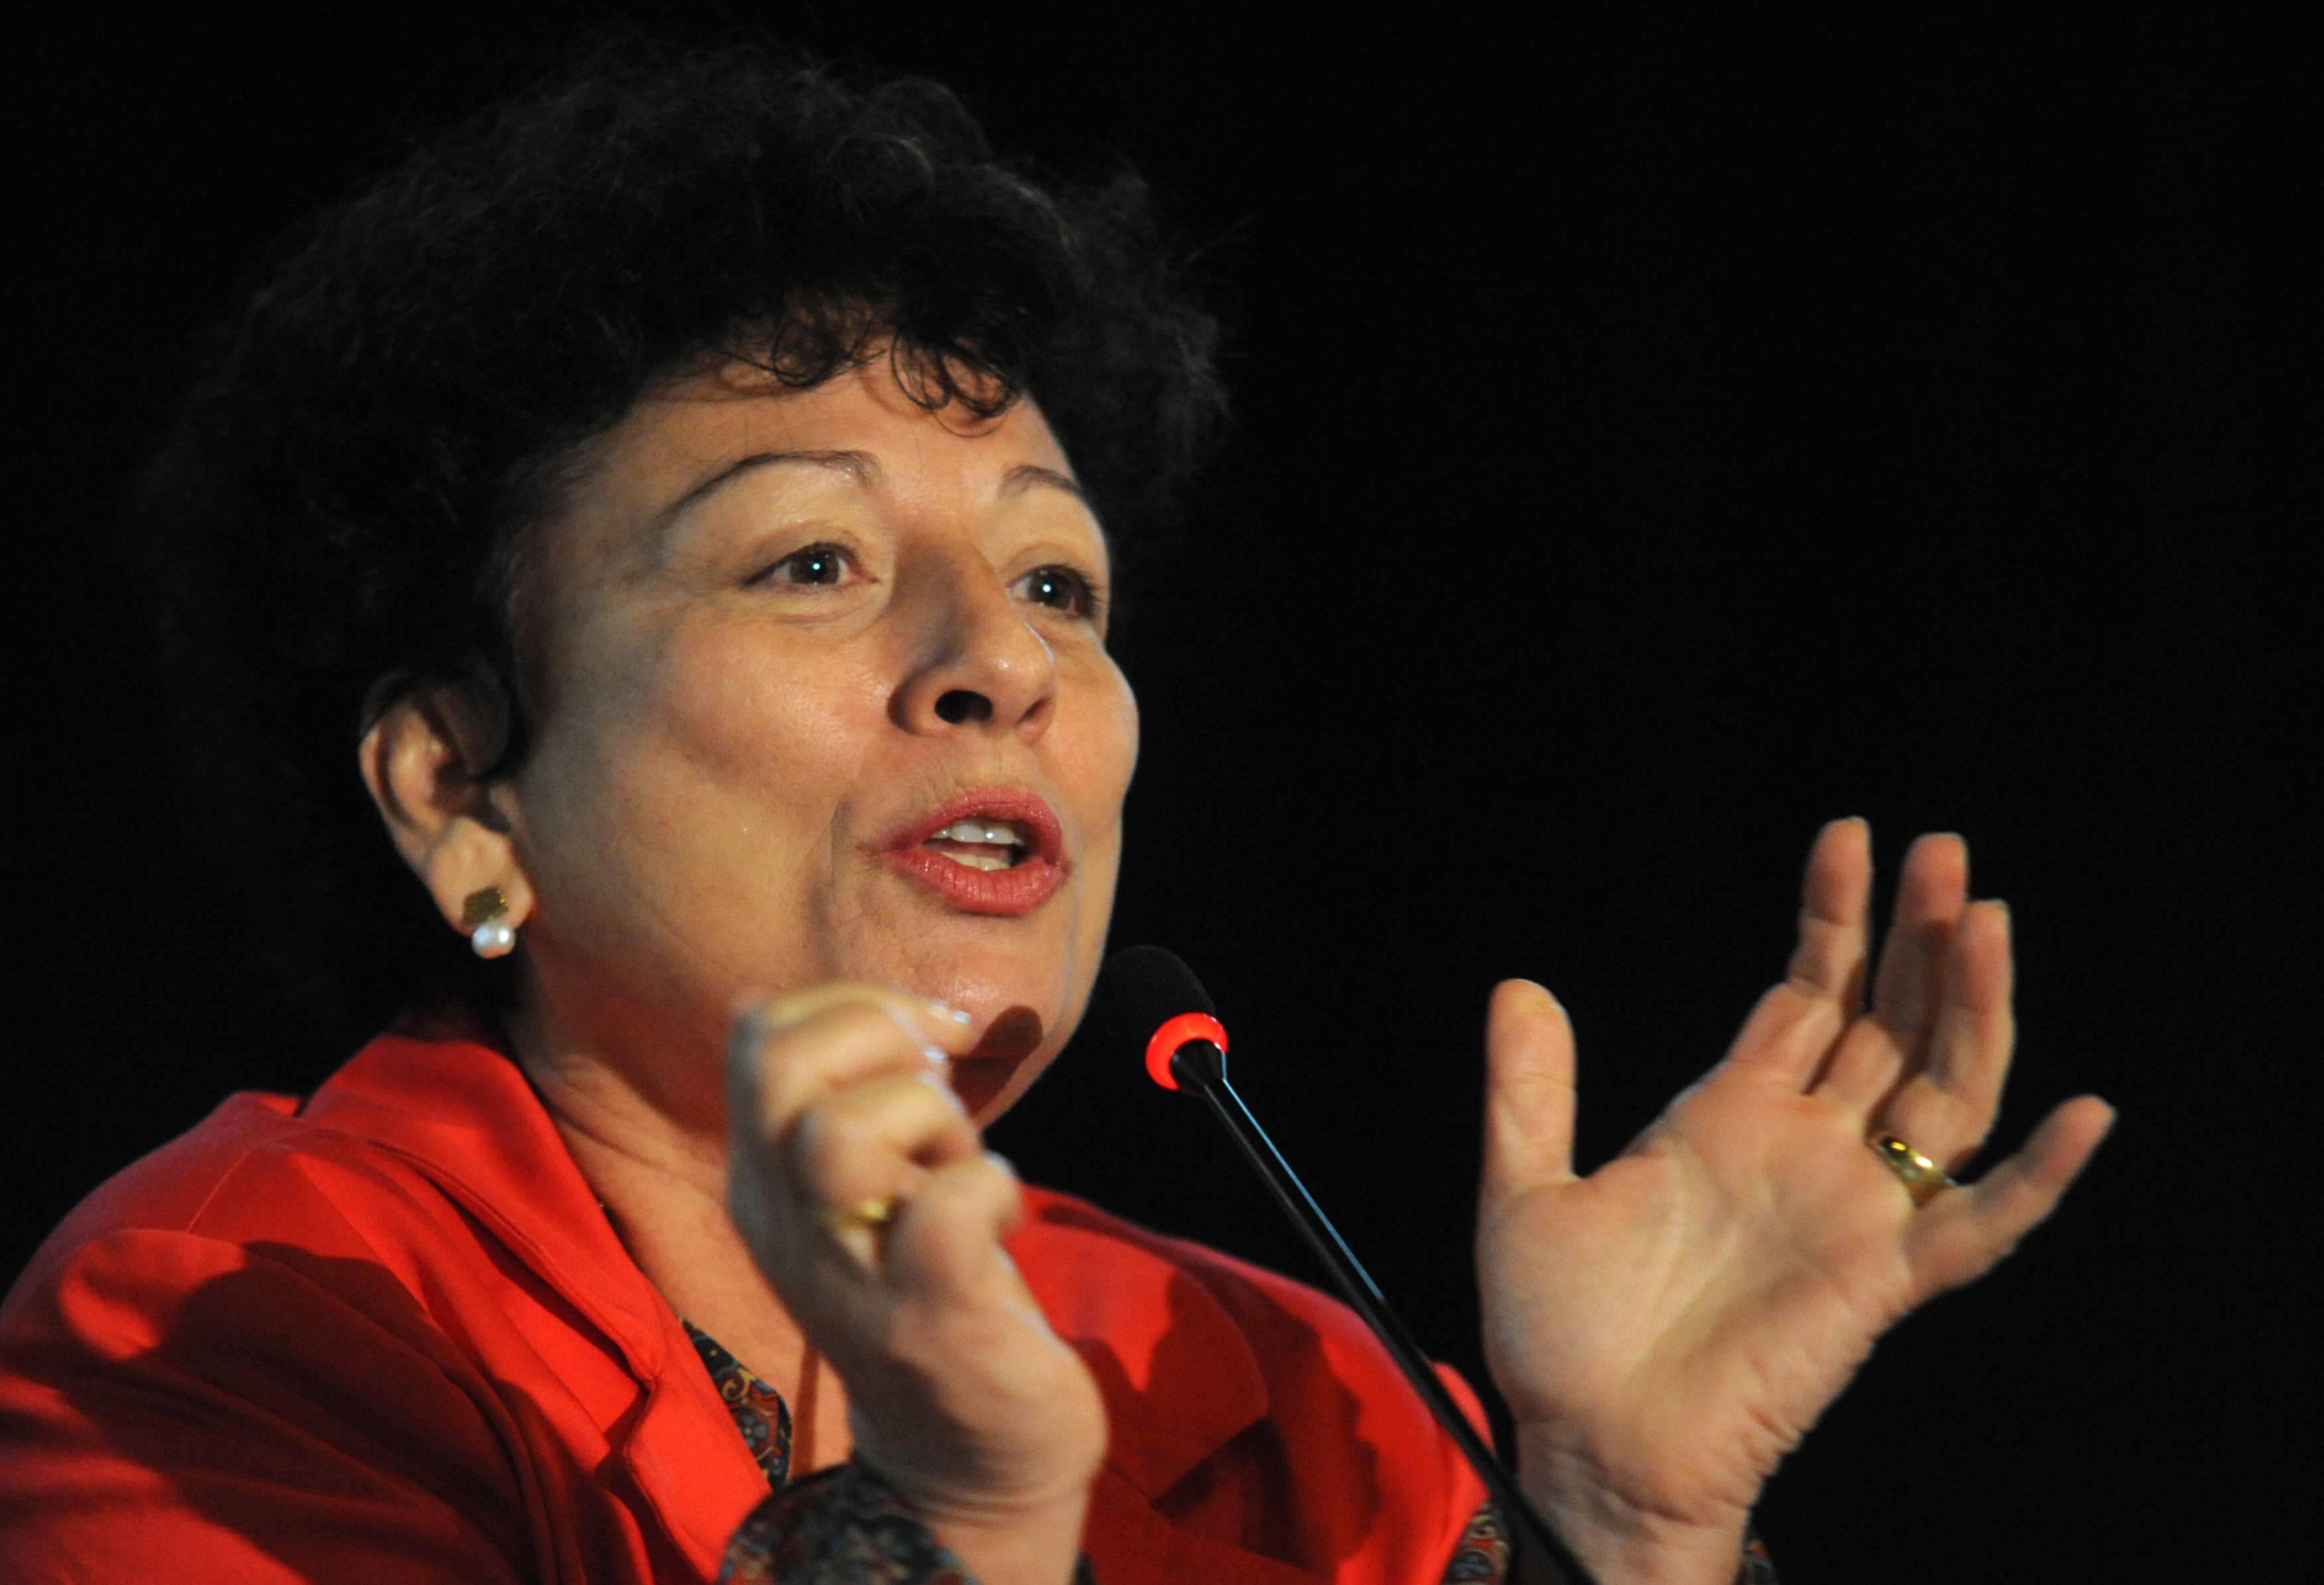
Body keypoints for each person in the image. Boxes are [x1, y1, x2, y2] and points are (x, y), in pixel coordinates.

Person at [0, 37, 2113, 1585]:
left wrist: (1618, 1529)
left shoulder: (1297, 1388)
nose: (995, 662)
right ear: (460, 786)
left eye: (1055, 584)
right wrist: (954, 1511)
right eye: (809, 560)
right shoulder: (227, 1316)